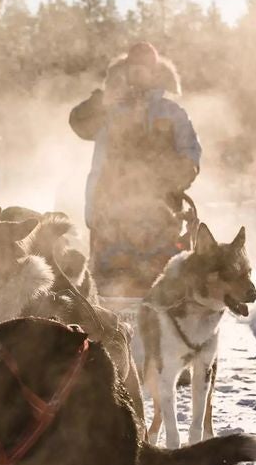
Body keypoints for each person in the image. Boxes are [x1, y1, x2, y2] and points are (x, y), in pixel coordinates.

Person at [69, 42, 201, 295]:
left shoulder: (172, 113)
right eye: (133, 69)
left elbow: (190, 154)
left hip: (161, 213)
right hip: (109, 208)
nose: (138, 74)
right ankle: (107, 326)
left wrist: (175, 176)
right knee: (107, 281)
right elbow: (79, 123)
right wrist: (103, 98)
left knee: (161, 281)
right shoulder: (109, 108)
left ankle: (162, 324)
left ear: (155, 73)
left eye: (144, 69)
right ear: (125, 71)